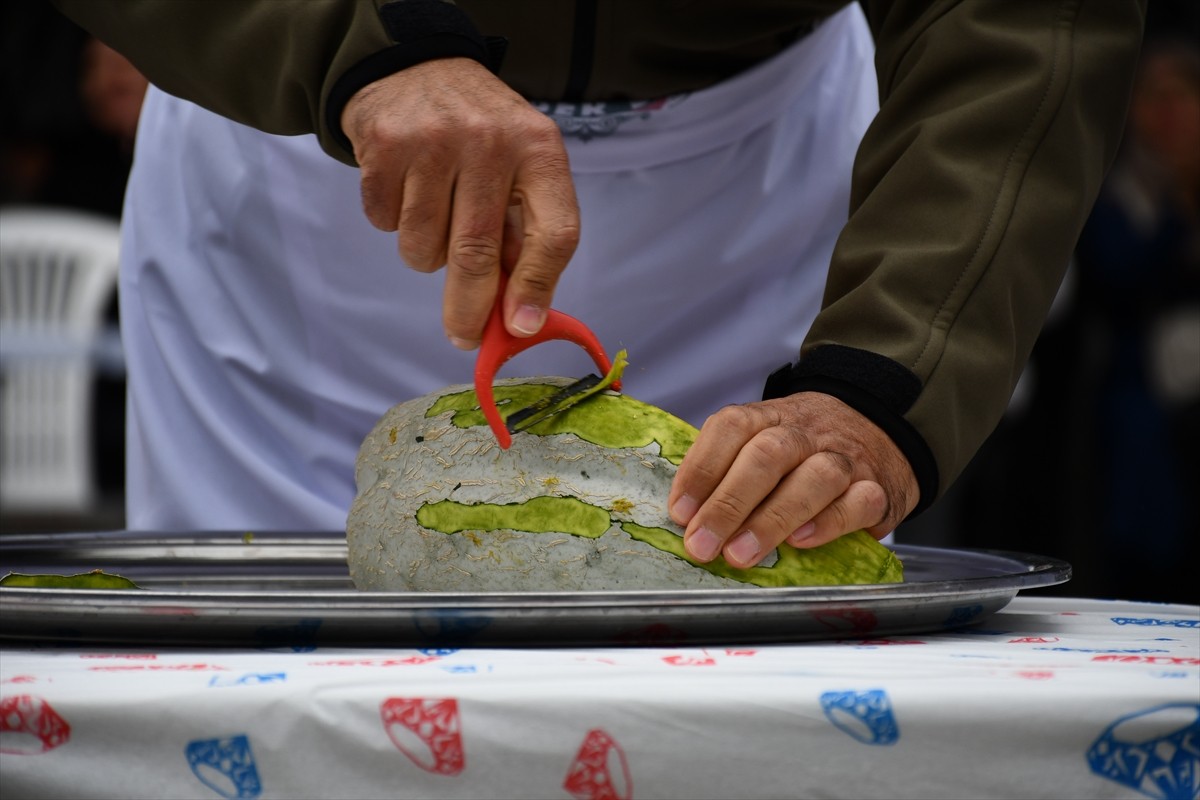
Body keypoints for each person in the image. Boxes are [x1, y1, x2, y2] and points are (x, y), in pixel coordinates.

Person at [52, 0, 1145, 571]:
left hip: (767, 189)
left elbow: (1025, 20)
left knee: (743, 686)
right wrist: (346, 38)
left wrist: (884, 380)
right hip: (315, 151)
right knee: (265, 706)